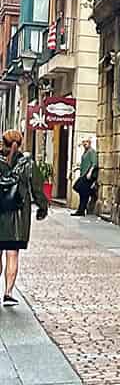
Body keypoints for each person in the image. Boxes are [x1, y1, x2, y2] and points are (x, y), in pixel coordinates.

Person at [0, 130, 46, 305]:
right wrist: (42, 208)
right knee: (12, 254)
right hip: (17, 217)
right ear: (20, 143)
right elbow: (37, 188)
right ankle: (8, 293)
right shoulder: (28, 163)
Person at [72, 137, 98, 216]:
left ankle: (81, 210)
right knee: (79, 189)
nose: (85, 143)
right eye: (83, 142)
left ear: (89, 142)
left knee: (79, 188)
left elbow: (94, 163)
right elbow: (85, 163)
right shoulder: (85, 152)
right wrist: (77, 167)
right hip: (83, 174)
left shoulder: (92, 151)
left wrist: (90, 172)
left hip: (88, 175)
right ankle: (81, 210)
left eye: (86, 142)